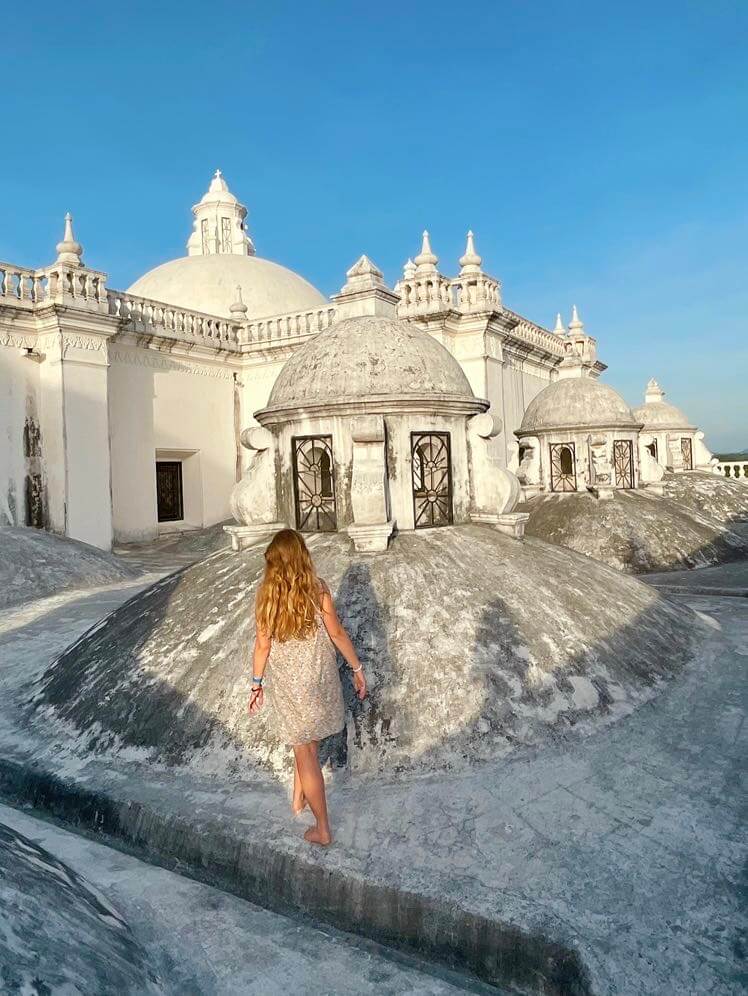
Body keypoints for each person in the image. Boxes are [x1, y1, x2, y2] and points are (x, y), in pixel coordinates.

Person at [249, 529, 367, 846]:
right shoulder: (318, 591)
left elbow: (262, 647)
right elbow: (338, 634)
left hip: (289, 686)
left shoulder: (266, 598)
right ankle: (298, 799)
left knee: (303, 750)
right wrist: (357, 668)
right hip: (319, 680)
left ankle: (323, 828)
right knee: (308, 745)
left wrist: (256, 683)